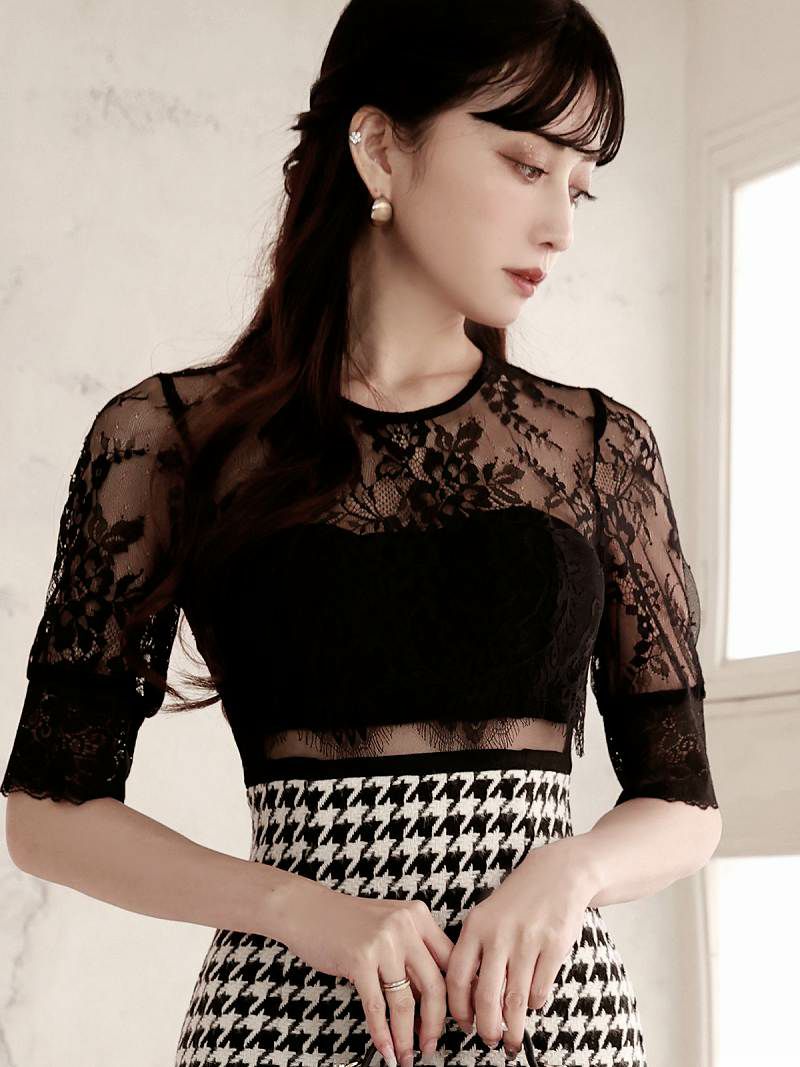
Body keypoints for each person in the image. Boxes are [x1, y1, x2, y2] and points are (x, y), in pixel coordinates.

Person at [2, 1, 723, 1065]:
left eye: (576, 188)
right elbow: (46, 812)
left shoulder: (594, 447)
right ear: (381, 147)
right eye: (527, 165)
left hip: (541, 1020)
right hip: (278, 1014)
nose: (559, 228)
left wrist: (569, 870)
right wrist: (292, 903)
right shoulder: (169, 439)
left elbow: (684, 798)